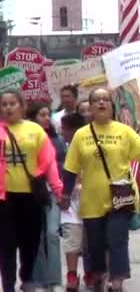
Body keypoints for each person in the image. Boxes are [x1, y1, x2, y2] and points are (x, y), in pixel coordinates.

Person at [61, 88, 140, 292]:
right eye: (97, 100)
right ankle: (99, 275)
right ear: (91, 108)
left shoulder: (123, 131)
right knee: (94, 245)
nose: (101, 103)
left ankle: (117, 280)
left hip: (119, 199)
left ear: (112, 106)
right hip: (91, 202)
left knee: (117, 239)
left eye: (105, 100)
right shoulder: (81, 135)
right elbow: (70, 169)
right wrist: (66, 195)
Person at [0, 90, 64, 292]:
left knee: (30, 243)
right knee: (6, 245)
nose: (8, 107)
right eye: (4, 104)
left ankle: (27, 279)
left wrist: (58, 190)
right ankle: (8, 285)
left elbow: (49, 162)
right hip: (4, 198)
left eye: (12, 103)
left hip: (31, 196)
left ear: (22, 106)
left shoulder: (35, 130)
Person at [27, 103, 66, 291]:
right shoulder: (25, 138)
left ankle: (53, 279)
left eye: (47, 115)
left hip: (52, 192)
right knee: (37, 236)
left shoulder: (56, 140)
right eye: (41, 115)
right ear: (33, 117)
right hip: (32, 192)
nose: (45, 118)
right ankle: (40, 279)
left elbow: (62, 164)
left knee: (52, 234)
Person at [58, 112, 93, 291]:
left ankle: (90, 272)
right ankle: (72, 275)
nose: (61, 131)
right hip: (70, 203)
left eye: (64, 129)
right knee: (71, 240)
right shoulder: (62, 148)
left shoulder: (90, 146)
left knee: (89, 240)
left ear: (74, 131)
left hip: (91, 200)